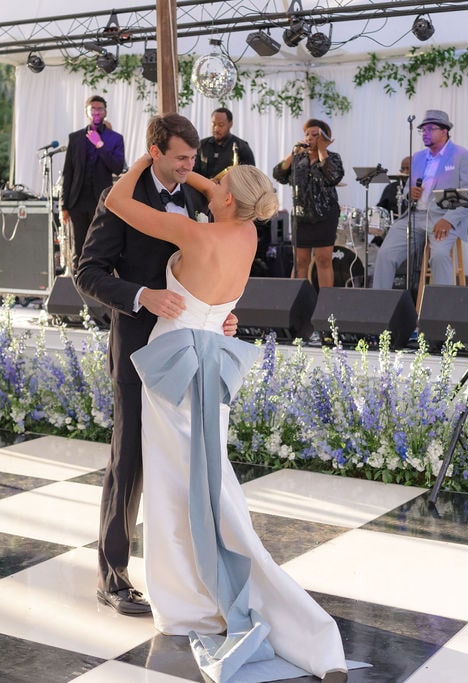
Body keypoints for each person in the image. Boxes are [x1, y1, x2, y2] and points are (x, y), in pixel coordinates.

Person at [104, 156, 348, 682]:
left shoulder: (194, 235)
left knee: (174, 483)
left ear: (227, 199)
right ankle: (208, 581)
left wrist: (151, 156)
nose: (202, 182)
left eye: (213, 183)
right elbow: (230, 204)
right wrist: (189, 168)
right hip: (213, 359)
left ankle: (188, 599)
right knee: (210, 478)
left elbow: (117, 202)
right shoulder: (247, 238)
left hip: (173, 364)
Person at [75, 113, 220, 617]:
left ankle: (189, 575)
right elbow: (86, 273)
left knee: (188, 458)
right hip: (139, 344)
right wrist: (142, 296)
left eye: (193, 158)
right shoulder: (122, 200)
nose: (189, 166)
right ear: (154, 151)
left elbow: (214, 263)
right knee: (129, 458)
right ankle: (112, 576)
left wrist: (221, 310)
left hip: (192, 343)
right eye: (180, 157)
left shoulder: (199, 198)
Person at [373, 110, 468, 291]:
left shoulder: (462, 155)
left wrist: (448, 220)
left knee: (438, 255)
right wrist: (409, 194)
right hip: (414, 216)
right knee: (385, 254)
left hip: (444, 217)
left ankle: (440, 311)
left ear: (444, 131)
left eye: (430, 129)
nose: (425, 133)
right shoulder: (418, 157)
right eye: (423, 130)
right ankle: (379, 307)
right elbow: (407, 189)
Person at [273, 119, 344, 289]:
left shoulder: (332, 157)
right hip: (301, 216)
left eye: (315, 135)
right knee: (299, 261)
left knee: (323, 260)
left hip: (325, 215)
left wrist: (322, 150)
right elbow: (278, 173)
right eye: (307, 134)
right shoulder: (297, 159)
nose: (310, 138)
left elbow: (334, 177)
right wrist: (292, 153)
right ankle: (295, 303)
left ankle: (326, 305)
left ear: (325, 138)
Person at [61, 95, 126, 273]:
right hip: (77, 201)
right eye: (93, 109)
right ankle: (77, 282)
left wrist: (100, 145)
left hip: (101, 201)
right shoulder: (75, 138)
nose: (96, 112)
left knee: (99, 244)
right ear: (87, 112)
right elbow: (68, 172)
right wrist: (64, 205)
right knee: (78, 246)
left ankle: (98, 281)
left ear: (105, 112)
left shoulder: (115, 138)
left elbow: (118, 167)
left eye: (100, 109)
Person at [193, 107, 256, 180]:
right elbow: (192, 172)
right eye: (213, 124)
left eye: (221, 125)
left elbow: (250, 177)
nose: (216, 129)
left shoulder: (242, 147)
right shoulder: (202, 145)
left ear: (230, 124)